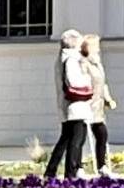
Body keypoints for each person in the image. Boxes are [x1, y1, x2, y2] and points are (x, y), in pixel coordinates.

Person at [44, 30, 97, 179]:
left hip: (70, 105)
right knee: (77, 139)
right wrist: (87, 81)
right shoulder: (72, 59)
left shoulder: (63, 58)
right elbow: (74, 81)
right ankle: (71, 171)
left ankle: (51, 170)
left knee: (66, 138)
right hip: (76, 105)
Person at [82, 35, 118, 178]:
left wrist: (108, 99)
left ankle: (102, 166)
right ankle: (78, 165)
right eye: (95, 45)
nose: (98, 48)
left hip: (98, 106)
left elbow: (103, 84)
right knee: (82, 137)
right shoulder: (84, 63)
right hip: (88, 104)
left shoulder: (98, 63)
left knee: (102, 135)